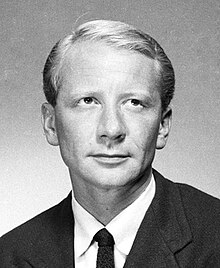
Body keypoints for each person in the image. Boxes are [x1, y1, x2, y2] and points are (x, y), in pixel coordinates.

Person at [0, 20, 219, 268]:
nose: (112, 130)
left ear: (162, 126)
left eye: (134, 103)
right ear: (51, 125)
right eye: (88, 101)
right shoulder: (9, 256)